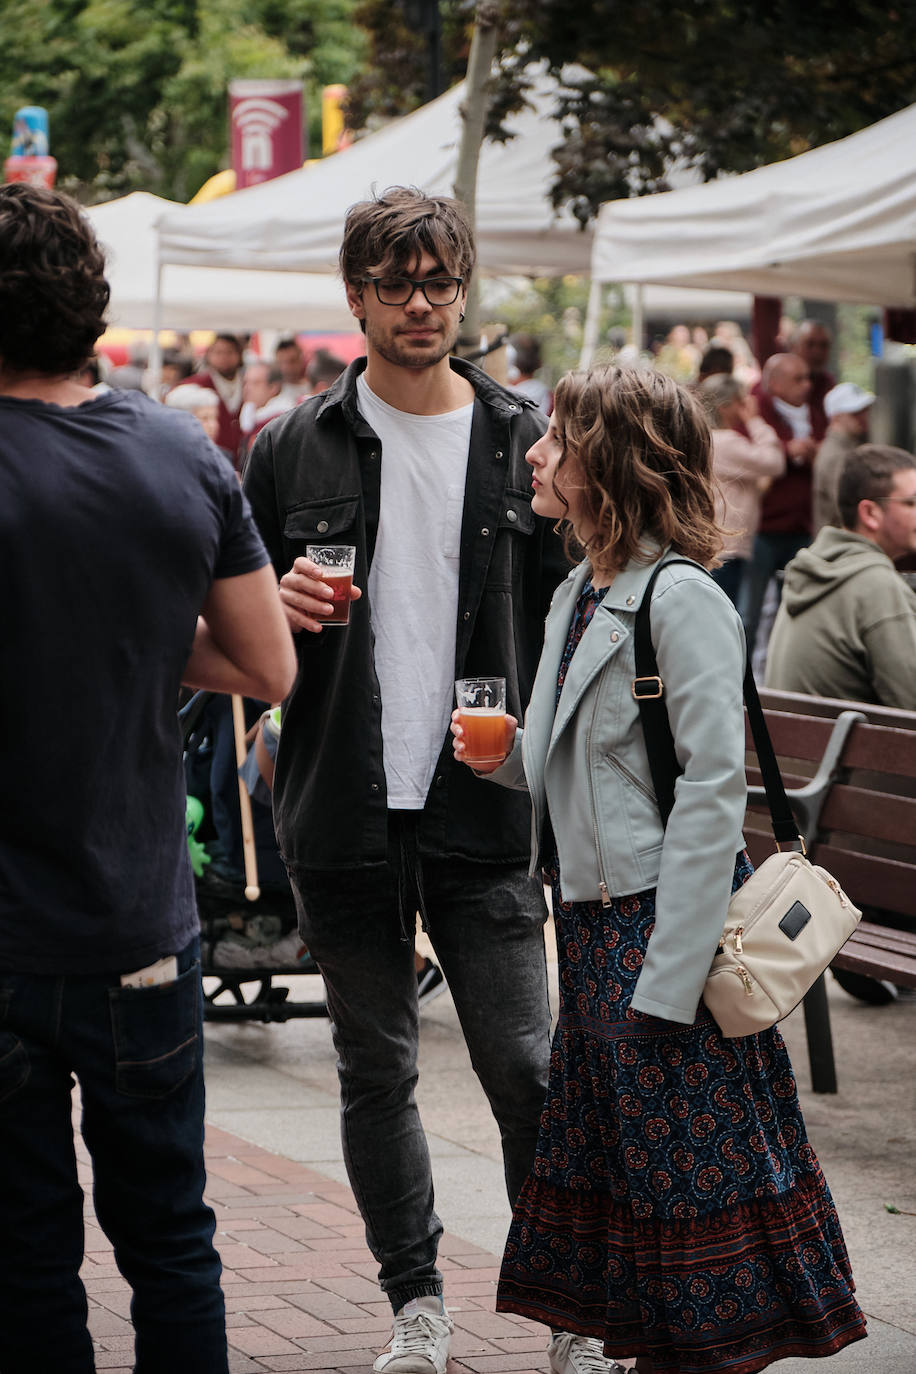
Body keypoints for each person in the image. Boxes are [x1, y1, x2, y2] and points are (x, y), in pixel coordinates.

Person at [452, 364, 866, 1374]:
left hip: (655, 931)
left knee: (695, 1181)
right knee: (646, 1183)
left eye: (559, 439)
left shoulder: (678, 600)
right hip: (594, 927)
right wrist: (493, 752)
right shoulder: (578, 592)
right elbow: (561, 759)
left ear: (616, 466)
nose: (537, 454)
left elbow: (711, 798)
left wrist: (669, 980)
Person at [243, 186, 569, 1374]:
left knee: (528, 1070)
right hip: (341, 798)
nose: (423, 302)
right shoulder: (292, 444)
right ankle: (414, 1305)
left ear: (462, 288)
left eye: (440, 281)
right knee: (374, 1067)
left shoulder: (527, 438)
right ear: (356, 299)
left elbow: (572, 617)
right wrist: (274, 603)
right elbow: (238, 619)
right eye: (398, 284)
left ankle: (568, 1312)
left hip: (483, 798)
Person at [0, 182, 297, 1371]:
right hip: (137, 919)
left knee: (23, 1257)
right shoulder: (182, 454)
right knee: (172, 1241)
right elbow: (266, 666)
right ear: (92, 310)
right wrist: (136, 622)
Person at [766, 443, 916, 707]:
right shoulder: (876, 584)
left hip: (803, 747)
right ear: (870, 513)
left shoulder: (816, 568)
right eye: (911, 503)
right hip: (846, 747)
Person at [743, 351, 818, 658]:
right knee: (750, 611)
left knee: (799, 610)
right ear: (774, 383)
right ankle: (741, 678)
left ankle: (784, 668)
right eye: (798, 379)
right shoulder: (754, 410)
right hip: (762, 528)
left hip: (800, 525)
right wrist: (788, 450)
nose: (807, 385)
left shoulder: (815, 410)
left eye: (807, 377)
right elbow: (759, 459)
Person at [697, 374, 785, 606]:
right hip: (727, 546)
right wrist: (756, 422)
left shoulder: (706, 439)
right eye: (741, 402)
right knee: (727, 612)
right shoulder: (727, 442)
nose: (746, 407)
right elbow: (774, 462)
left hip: (715, 542)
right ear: (724, 407)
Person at [812, 382, 875, 533]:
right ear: (836, 417)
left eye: (865, 410)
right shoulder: (836, 455)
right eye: (855, 412)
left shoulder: (849, 449)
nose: (863, 416)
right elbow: (848, 510)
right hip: (840, 548)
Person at [177, 332, 245, 464]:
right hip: (210, 458)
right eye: (218, 352)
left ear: (239, 355)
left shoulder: (248, 383)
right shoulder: (196, 384)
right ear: (209, 355)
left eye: (229, 352)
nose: (224, 357)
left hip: (240, 460)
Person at [791, 319, 835, 440]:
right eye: (810, 344)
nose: (817, 352)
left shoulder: (828, 384)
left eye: (823, 345)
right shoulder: (775, 382)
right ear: (794, 347)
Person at [274, 335, 309, 403]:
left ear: (301, 360)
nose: (287, 367)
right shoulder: (274, 392)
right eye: (281, 362)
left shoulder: (312, 387)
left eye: (292, 361)